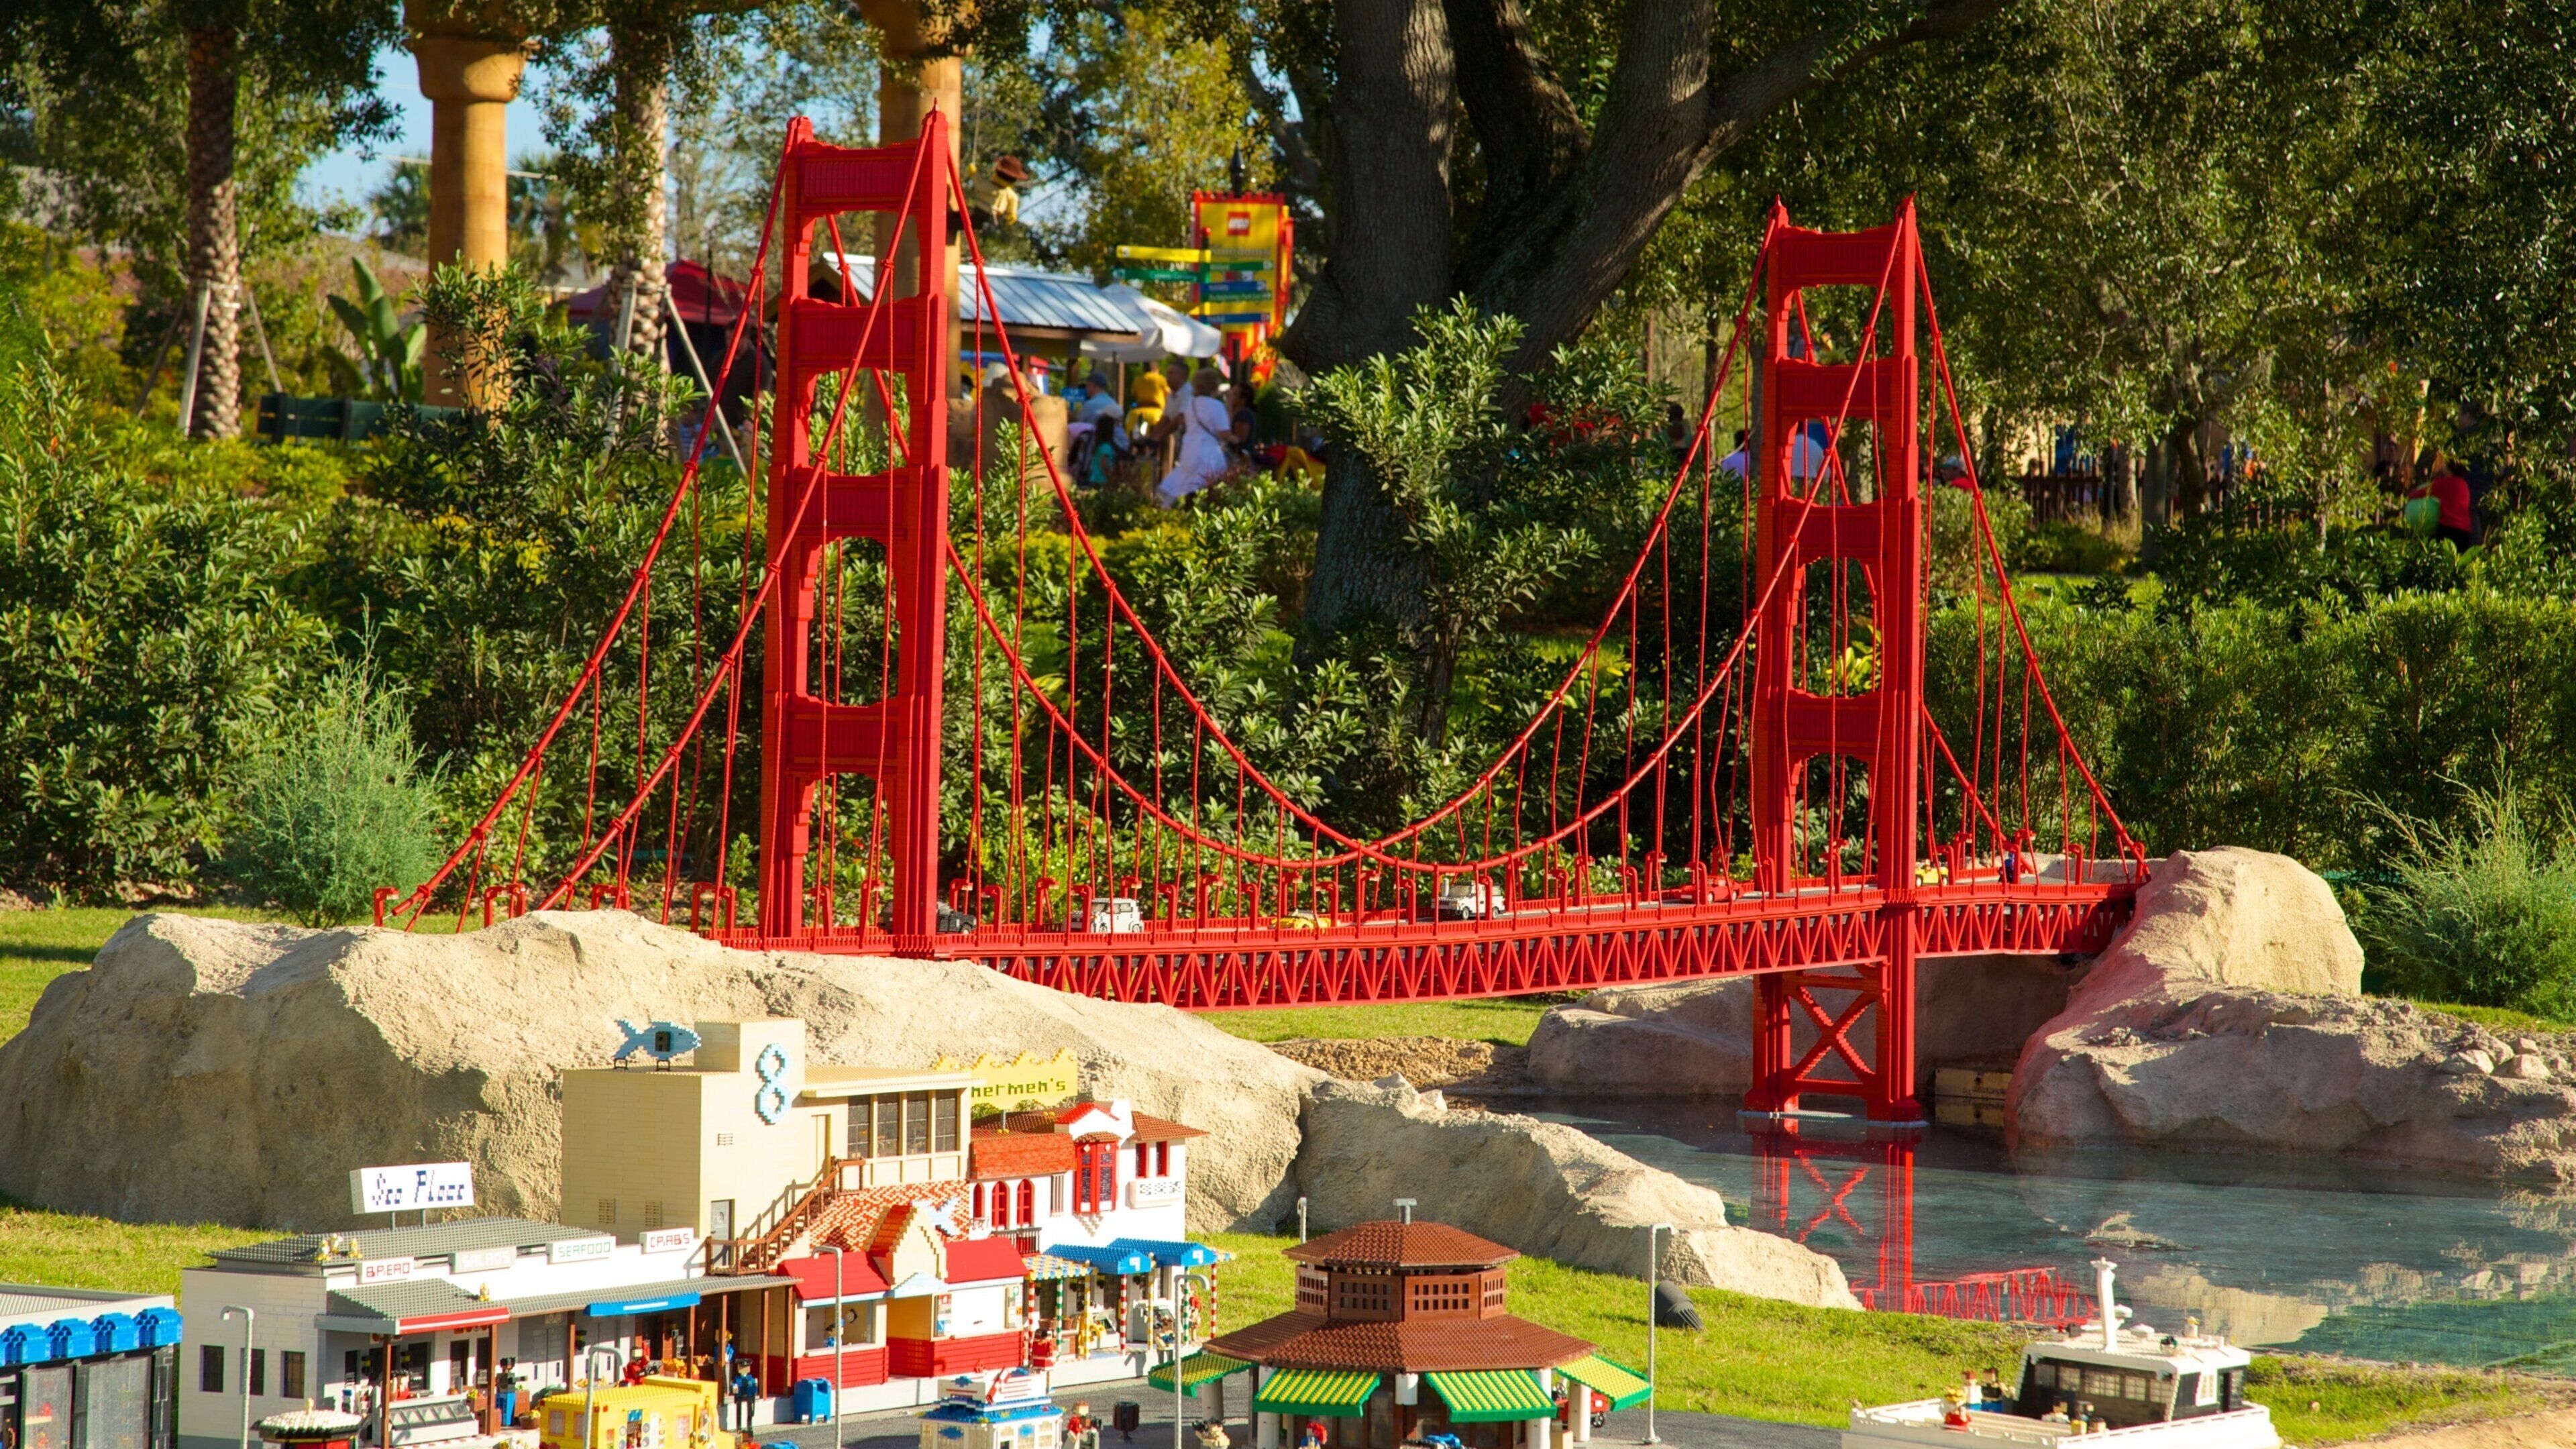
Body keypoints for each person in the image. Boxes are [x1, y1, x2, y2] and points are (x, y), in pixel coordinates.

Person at [1155, 367, 1234, 506]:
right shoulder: (1217, 406)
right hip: (1209, 454)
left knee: (1185, 483)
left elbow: (1181, 421)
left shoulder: (1190, 404)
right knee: (1207, 489)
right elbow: (1225, 433)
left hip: (1189, 449)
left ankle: (1169, 509)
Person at [729, 1363, 759, 1433]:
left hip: (749, 1395)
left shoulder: (750, 1378)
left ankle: (749, 1426)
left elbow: (754, 1385)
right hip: (740, 1395)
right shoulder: (737, 1379)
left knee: (750, 1411)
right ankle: (739, 1426)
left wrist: (754, 1389)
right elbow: (734, 1386)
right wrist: (734, 1388)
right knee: (739, 1410)